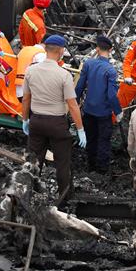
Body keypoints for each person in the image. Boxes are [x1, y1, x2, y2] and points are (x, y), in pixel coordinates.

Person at [22, 34, 86, 201]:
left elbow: (26, 98)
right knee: (62, 164)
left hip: (36, 121)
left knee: (33, 162)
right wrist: (80, 129)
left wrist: (24, 120)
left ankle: (27, 195)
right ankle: (65, 200)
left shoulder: (31, 70)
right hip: (57, 123)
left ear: (45, 49)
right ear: (61, 51)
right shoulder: (64, 75)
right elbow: (72, 105)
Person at [75, 34, 122, 173]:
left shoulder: (89, 64)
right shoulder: (111, 71)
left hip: (88, 110)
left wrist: (75, 103)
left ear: (97, 49)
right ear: (111, 50)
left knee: (91, 138)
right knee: (103, 141)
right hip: (103, 113)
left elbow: (79, 87)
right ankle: (102, 170)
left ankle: (90, 166)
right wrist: (118, 111)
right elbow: (112, 95)